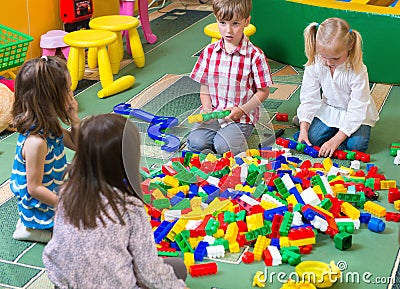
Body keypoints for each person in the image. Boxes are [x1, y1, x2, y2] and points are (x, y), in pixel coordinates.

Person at [43, 114, 189, 289]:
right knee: (178, 268)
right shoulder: (129, 208)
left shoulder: (67, 194)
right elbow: (149, 273)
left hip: (65, 284)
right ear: (126, 161)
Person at [187, 0, 273, 156]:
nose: (228, 30)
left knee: (223, 147)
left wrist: (241, 110)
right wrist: (206, 108)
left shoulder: (255, 55)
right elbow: (205, 86)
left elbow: (263, 91)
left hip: (241, 117)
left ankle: (230, 143)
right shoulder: (209, 52)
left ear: (246, 21)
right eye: (223, 23)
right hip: (214, 113)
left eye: (235, 23)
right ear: (216, 19)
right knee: (195, 143)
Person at [9, 56, 80, 243]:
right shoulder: (36, 142)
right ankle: (32, 230)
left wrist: (74, 118)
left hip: (52, 191)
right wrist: (64, 207)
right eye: (67, 89)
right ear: (49, 99)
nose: (72, 93)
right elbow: (34, 188)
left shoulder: (49, 126)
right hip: (40, 206)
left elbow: (76, 144)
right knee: (81, 232)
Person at [295, 17, 379, 157]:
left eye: (335, 58)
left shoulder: (358, 70)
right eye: (324, 56)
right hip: (330, 109)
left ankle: (335, 132)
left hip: (356, 113)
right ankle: (311, 122)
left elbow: (357, 109)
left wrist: (335, 140)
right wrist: (304, 128)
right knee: (312, 139)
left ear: (350, 45)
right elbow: (309, 97)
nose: (329, 62)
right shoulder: (316, 62)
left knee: (356, 146)